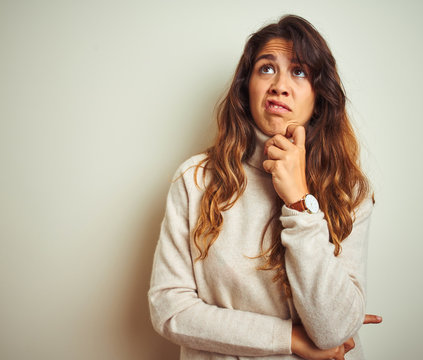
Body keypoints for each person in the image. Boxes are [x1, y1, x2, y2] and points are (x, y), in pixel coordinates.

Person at [148, 15, 381, 360]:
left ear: (320, 95)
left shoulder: (349, 191)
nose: (280, 86)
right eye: (267, 68)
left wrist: (300, 201)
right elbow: (170, 309)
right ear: (246, 86)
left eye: (299, 71)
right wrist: (287, 338)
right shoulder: (196, 180)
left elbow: (334, 330)